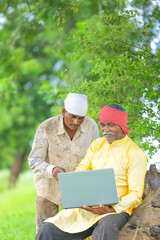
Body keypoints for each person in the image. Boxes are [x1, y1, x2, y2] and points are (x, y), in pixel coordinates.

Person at [35, 104, 147, 240]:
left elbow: (135, 195)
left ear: (121, 125)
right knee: (48, 229)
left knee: (105, 226)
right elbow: (82, 169)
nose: (106, 130)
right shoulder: (97, 145)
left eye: (110, 125)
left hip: (116, 210)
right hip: (88, 207)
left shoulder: (135, 153)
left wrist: (111, 209)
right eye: (103, 125)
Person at [28, 93, 99, 233]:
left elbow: (96, 157)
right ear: (63, 112)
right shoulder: (46, 127)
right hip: (48, 190)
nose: (76, 122)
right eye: (72, 116)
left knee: (77, 230)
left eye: (81, 118)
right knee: (44, 232)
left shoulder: (91, 126)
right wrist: (52, 170)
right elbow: (34, 160)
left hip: (78, 191)